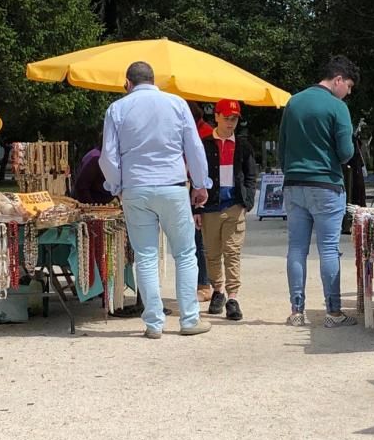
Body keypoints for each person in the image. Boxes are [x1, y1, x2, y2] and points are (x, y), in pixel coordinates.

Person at [99, 61, 213, 339]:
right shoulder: (176, 104)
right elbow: (194, 148)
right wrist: (201, 184)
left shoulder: (117, 109)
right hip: (173, 185)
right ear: (154, 80)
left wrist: (117, 186)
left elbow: (108, 156)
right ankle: (189, 319)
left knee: (146, 256)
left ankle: (153, 323)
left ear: (128, 83)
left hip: (136, 187)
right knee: (185, 253)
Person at [278, 55, 360, 328]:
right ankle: (333, 312)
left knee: (297, 249)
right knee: (328, 249)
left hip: (294, 184)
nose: (347, 93)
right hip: (326, 185)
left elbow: (281, 147)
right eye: (347, 86)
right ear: (337, 79)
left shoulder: (293, 102)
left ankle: (296, 311)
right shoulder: (337, 108)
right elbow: (347, 152)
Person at [194, 99, 258, 321]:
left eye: (234, 119)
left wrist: (247, 200)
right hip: (210, 205)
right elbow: (195, 177)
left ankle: (233, 296)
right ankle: (217, 290)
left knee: (232, 251)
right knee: (211, 252)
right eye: (227, 118)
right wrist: (196, 208)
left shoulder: (243, 146)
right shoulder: (204, 144)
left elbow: (251, 175)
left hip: (234, 205)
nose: (231, 123)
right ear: (217, 117)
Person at [187, 101, 213, 301]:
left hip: (198, 188)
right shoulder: (200, 131)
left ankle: (204, 283)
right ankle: (201, 282)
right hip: (188, 186)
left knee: (199, 238)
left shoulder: (204, 134)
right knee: (194, 239)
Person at [72, 130, 114, 205]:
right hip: (91, 207)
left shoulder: (105, 157)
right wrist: (92, 206)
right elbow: (81, 187)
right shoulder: (95, 158)